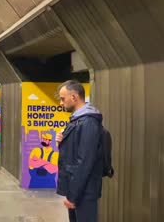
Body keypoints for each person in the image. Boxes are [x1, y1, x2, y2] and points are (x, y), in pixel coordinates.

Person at [56, 80, 104, 222]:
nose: (61, 103)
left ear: (74, 97)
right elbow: (74, 154)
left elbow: (85, 161)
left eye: (63, 99)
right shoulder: (78, 120)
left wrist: (73, 195)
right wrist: (62, 142)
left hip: (84, 191)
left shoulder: (88, 122)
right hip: (78, 188)